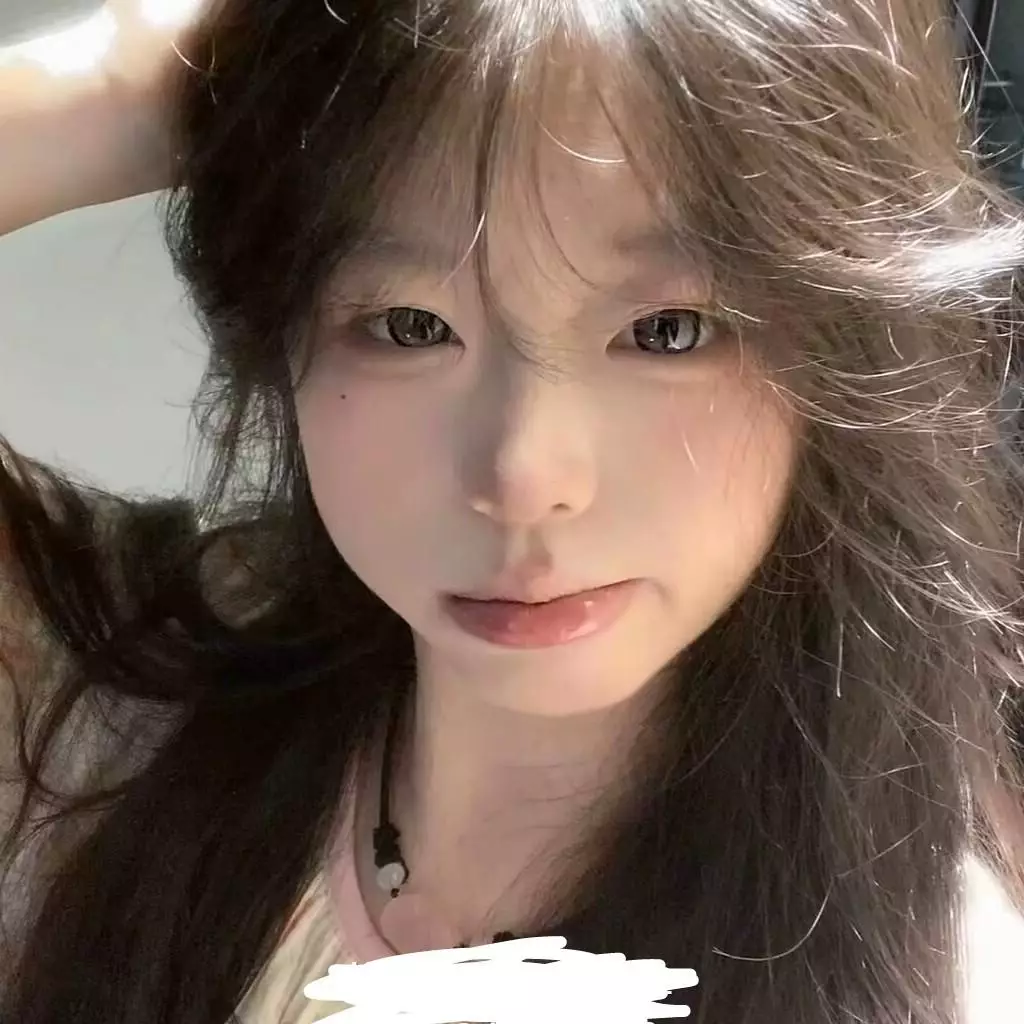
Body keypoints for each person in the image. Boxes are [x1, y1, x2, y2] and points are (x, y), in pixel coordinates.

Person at [1, 0, 1023, 1021]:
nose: (523, 473)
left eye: (666, 331)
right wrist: (122, 87)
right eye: (410, 326)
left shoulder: (934, 988)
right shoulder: (128, 720)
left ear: (843, 356)